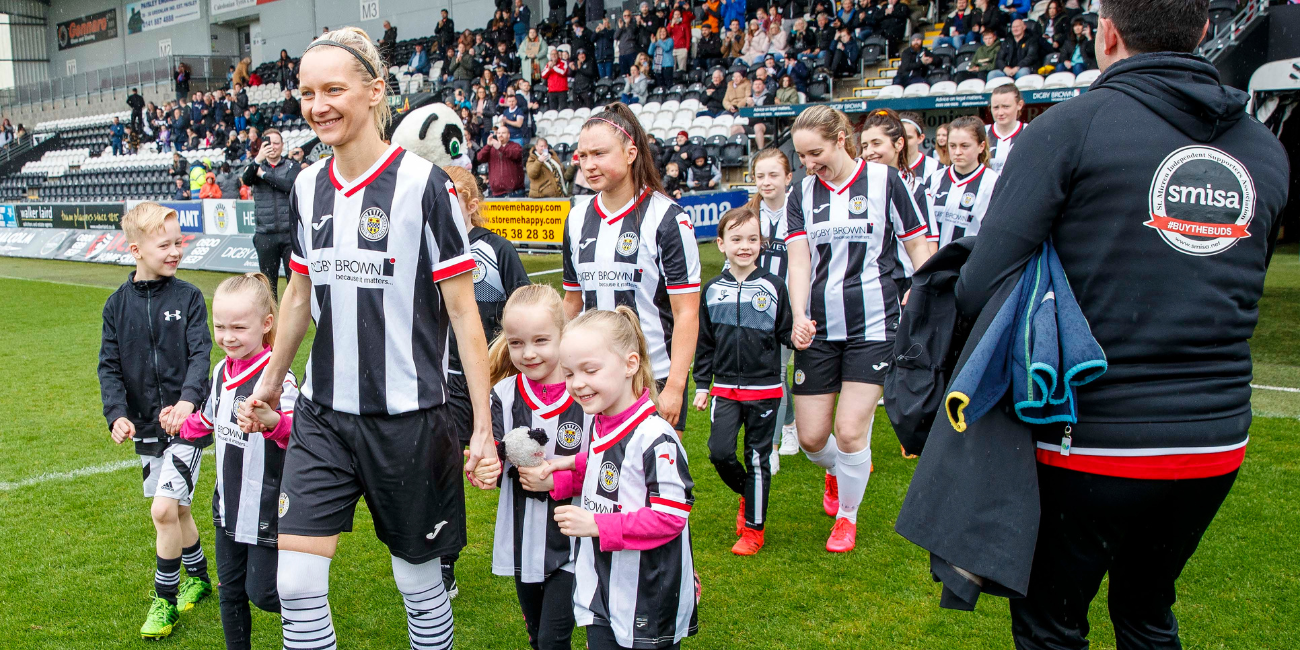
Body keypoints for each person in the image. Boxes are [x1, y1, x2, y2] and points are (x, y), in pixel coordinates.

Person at [954, 1, 1289, 647]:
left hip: (1093, 438)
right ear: (1199, 33)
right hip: (1215, 441)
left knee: (1053, 624)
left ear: (1106, 33)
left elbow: (979, 283)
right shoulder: (1264, 148)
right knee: (1146, 615)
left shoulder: (1068, 128)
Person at [241, 27, 498, 650]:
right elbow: (299, 296)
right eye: (306, 92)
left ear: (375, 90)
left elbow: (465, 314)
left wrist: (483, 426)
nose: (317, 105)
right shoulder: (307, 186)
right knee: (296, 584)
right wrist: (271, 385)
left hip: (411, 421)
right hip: (324, 415)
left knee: (418, 583)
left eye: (333, 89)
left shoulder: (424, 186)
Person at [785, 106, 932, 552]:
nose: (809, 164)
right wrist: (798, 315)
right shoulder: (802, 194)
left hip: (874, 325)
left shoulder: (886, 182)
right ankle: (840, 470)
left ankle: (847, 518)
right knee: (812, 440)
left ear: (841, 139)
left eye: (815, 153)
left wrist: (925, 293)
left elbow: (917, 243)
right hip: (819, 330)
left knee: (850, 431)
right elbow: (799, 259)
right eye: (801, 156)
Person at [549, 308, 699, 649]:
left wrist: (598, 525)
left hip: (646, 596)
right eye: (569, 373)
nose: (578, 383)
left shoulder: (655, 437)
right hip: (602, 588)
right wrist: (568, 468)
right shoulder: (603, 422)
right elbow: (612, 471)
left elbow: (671, 516)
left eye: (590, 370)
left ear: (630, 364)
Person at [98, 203, 214, 640]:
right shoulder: (115, 306)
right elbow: (108, 366)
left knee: (163, 510)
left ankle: (164, 603)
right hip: (145, 428)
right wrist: (117, 414)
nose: (174, 251)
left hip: (186, 428)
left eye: (178, 242)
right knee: (179, 509)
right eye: (164, 244)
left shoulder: (188, 298)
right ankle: (199, 577)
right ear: (136, 250)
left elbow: (201, 354)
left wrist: (188, 403)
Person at [464, 285, 591, 650]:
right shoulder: (501, 396)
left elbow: (607, 464)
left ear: (563, 335)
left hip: (573, 543)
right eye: (517, 343)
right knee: (538, 639)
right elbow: (491, 454)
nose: (528, 353)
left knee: (553, 641)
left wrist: (558, 480)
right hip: (521, 543)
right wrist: (484, 470)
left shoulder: (585, 395)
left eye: (540, 340)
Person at [561, 103, 701, 433]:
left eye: (599, 153)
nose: (589, 165)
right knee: (597, 480)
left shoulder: (668, 218)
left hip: (651, 377)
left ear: (630, 152)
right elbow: (571, 302)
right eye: (582, 156)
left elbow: (686, 313)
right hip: (592, 379)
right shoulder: (577, 219)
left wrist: (675, 388)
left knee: (656, 481)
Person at [176, 273, 296, 650]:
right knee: (230, 593)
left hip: (266, 508)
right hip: (227, 507)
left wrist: (271, 423)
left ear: (266, 324)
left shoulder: (278, 380)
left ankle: (308, 616)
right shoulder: (219, 372)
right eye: (220, 326)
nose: (227, 336)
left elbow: (299, 436)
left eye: (239, 327)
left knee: (263, 593)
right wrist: (182, 425)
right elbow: (210, 418)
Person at [435, 164, 530, 595]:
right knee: (444, 469)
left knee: (521, 459)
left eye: (452, 197)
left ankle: (543, 548)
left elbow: (527, 307)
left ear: (472, 204)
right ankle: (445, 561)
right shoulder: (427, 248)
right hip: (445, 381)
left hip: (498, 382)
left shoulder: (497, 250)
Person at [693, 206, 795, 555]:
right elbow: (704, 343)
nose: (745, 245)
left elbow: (786, 332)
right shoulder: (711, 290)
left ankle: (754, 529)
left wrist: (802, 336)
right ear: (721, 243)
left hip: (765, 391)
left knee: (756, 458)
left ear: (761, 244)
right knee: (719, 453)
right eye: (736, 239)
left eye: (752, 239)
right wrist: (703, 385)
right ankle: (748, 493)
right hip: (724, 390)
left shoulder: (774, 286)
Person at [859, 109, 938, 345]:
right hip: (870, 285)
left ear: (899, 143)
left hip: (904, 285)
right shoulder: (860, 189)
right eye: (864, 145)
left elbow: (929, 245)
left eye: (876, 143)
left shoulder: (917, 189)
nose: (869, 151)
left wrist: (919, 286)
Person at [748, 148, 800, 457]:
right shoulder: (749, 215)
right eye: (760, 176)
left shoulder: (801, 210)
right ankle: (789, 427)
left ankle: (775, 444)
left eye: (773, 175)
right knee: (772, 373)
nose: (766, 182)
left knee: (780, 373)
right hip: (757, 309)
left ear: (788, 177)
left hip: (793, 308)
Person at [241, 129, 301, 300]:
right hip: (265, 234)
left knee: (296, 285)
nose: (273, 147)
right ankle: (272, 324)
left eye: (276, 143)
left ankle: (295, 326)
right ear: (262, 146)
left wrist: (264, 175)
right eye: (269, 143)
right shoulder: (255, 166)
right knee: (268, 286)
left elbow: (289, 185)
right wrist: (258, 160)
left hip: (290, 235)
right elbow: (246, 179)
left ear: (282, 146)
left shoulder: (292, 166)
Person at [926, 115, 997, 247]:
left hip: (970, 264)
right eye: (952, 146)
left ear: (981, 146)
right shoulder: (934, 179)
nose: (957, 152)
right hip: (934, 264)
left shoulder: (993, 183)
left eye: (964, 146)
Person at [477, 125, 526, 197]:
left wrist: (500, 148)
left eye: (503, 133)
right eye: (498, 133)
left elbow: (515, 155)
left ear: (508, 135)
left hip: (514, 192)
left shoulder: (515, 146)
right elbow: (480, 158)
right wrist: (488, 145)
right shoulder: (491, 148)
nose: (500, 135)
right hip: (497, 193)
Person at [985, 84, 1025, 172]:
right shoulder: (982, 132)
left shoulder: (1029, 131)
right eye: (996, 107)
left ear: (1019, 105)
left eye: (1006, 107)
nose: (1000, 112)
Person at [898, 111, 939, 183]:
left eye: (908, 138)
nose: (903, 142)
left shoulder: (936, 168)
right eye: (899, 137)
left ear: (920, 138)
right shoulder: (886, 167)